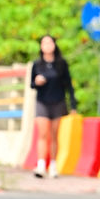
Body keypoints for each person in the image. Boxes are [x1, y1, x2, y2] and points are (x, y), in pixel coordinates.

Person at [30, 35, 77, 178]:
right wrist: (37, 82)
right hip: (42, 102)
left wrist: (73, 105)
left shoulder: (61, 64)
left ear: (54, 45)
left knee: (54, 135)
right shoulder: (37, 64)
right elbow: (32, 84)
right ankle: (41, 165)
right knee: (43, 134)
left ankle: (53, 165)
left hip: (58, 101)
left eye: (49, 42)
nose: (47, 45)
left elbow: (69, 85)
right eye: (44, 43)